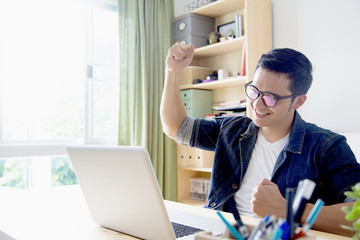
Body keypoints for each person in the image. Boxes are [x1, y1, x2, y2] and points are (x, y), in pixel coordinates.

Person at [160, 42, 360, 236]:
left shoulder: (327, 146)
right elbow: (175, 127)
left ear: (298, 101)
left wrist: (288, 210)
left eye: (270, 98)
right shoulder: (232, 129)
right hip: (220, 232)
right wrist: (172, 71)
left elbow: (357, 216)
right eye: (254, 91)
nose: (257, 104)